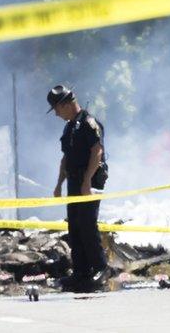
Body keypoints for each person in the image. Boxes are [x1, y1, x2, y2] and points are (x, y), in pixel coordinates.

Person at [48, 84, 110, 292]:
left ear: (66, 104)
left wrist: (87, 181)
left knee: (87, 223)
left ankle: (100, 268)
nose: (56, 114)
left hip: (90, 180)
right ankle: (81, 271)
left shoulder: (88, 123)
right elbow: (66, 158)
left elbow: (97, 152)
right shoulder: (69, 127)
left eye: (57, 108)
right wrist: (59, 184)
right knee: (74, 225)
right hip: (74, 180)